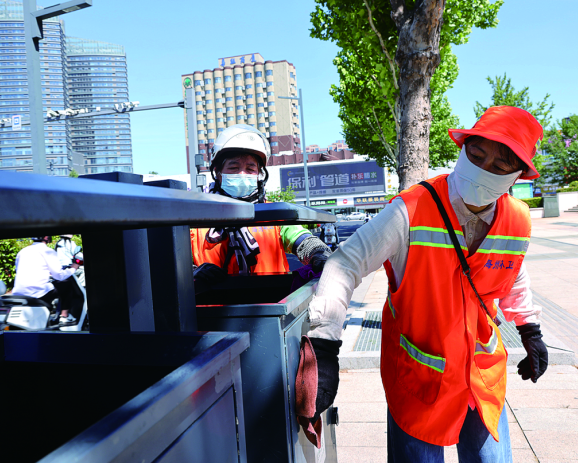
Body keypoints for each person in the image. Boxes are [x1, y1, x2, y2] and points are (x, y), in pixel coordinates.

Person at [305, 106, 549, 462]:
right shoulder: (411, 210)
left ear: (518, 176)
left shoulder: (517, 219)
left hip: (480, 378)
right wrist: (323, 346)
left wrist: (530, 328)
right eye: (476, 155)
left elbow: (511, 270)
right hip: (420, 377)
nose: (483, 170)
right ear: (462, 149)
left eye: (500, 166)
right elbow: (347, 262)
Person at [190, 124, 334, 288]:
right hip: (211, 312)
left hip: (271, 310)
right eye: (234, 167)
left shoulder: (274, 215)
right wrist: (192, 272)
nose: (242, 174)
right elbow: (174, 263)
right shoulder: (196, 220)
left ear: (260, 174)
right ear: (218, 172)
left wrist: (319, 254)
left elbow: (302, 240)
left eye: (250, 168)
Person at [12, 235, 81, 326]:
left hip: (18, 293)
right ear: (45, 237)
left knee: (50, 286)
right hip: (36, 293)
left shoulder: (22, 251)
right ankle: (64, 317)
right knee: (66, 284)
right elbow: (59, 275)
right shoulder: (48, 251)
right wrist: (73, 268)